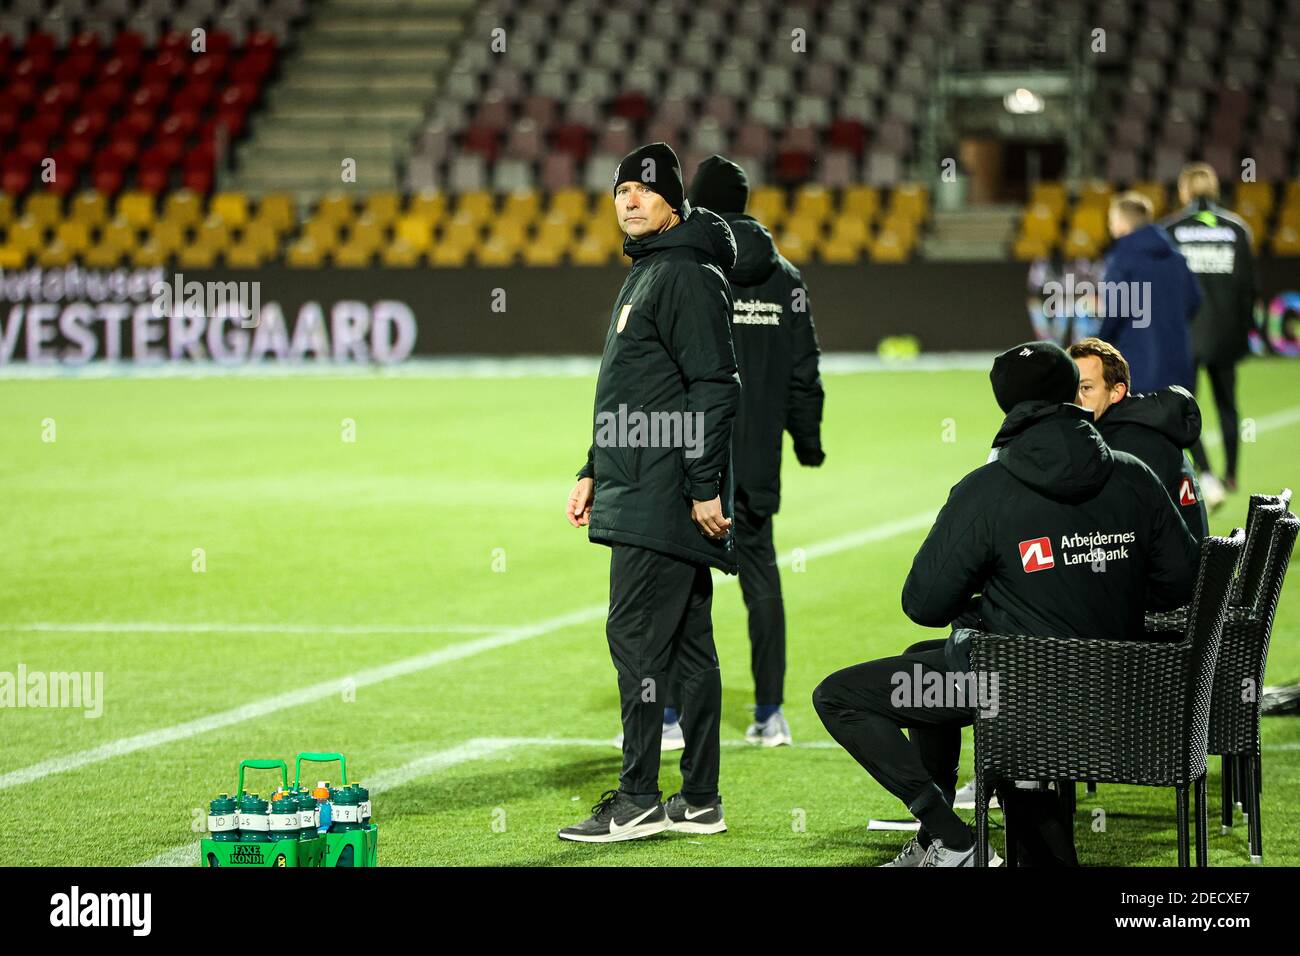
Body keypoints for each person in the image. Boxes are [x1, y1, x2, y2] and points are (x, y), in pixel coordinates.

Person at [812, 341, 1199, 866]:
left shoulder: (988, 488)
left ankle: (949, 834)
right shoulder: (1135, 473)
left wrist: (999, 588)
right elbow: (1182, 583)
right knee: (923, 655)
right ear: (1072, 393)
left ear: (1007, 405)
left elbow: (924, 601)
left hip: (1009, 693)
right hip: (1119, 692)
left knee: (839, 696)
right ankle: (945, 839)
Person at [561, 143, 740, 842]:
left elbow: (713, 386)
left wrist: (701, 486)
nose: (629, 200)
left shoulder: (687, 275)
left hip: (663, 492)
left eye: (643, 189)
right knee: (689, 647)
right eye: (620, 191)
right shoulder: (655, 271)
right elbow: (637, 389)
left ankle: (637, 796)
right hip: (638, 482)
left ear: (673, 202)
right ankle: (699, 799)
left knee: (634, 639)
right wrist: (593, 468)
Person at [654, 154, 824, 748]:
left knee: (680, 584)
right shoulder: (787, 278)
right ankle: (769, 714)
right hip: (755, 462)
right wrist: (808, 440)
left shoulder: (688, 265)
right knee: (762, 585)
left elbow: (664, 366)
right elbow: (805, 369)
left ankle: (671, 718)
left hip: (693, 455)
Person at [1161, 162, 1259, 508]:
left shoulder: (1171, 230)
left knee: (1183, 407)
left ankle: (1205, 473)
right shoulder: (1237, 228)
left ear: (1184, 191)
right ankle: (1231, 473)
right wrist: (1247, 330)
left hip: (1186, 336)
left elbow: (1164, 289)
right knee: (1228, 404)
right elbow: (1250, 288)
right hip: (1227, 335)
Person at [1069, 337, 1208, 540]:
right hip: (1193, 565)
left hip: (1166, 568)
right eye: (1072, 387)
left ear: (1117, 391)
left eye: (1086, 388)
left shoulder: (1120, 449)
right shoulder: (1148, 427)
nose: (1076, 398)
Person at [1097, 192, 1202, 394]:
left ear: (1122, 223)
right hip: (1178, 365)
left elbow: (1116, 311)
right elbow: (1194, 300)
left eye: (1111, 221)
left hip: (1137, 368)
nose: (1110, 227)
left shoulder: (1121, 259)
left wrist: (1101, 344)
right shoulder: (1177, 259)